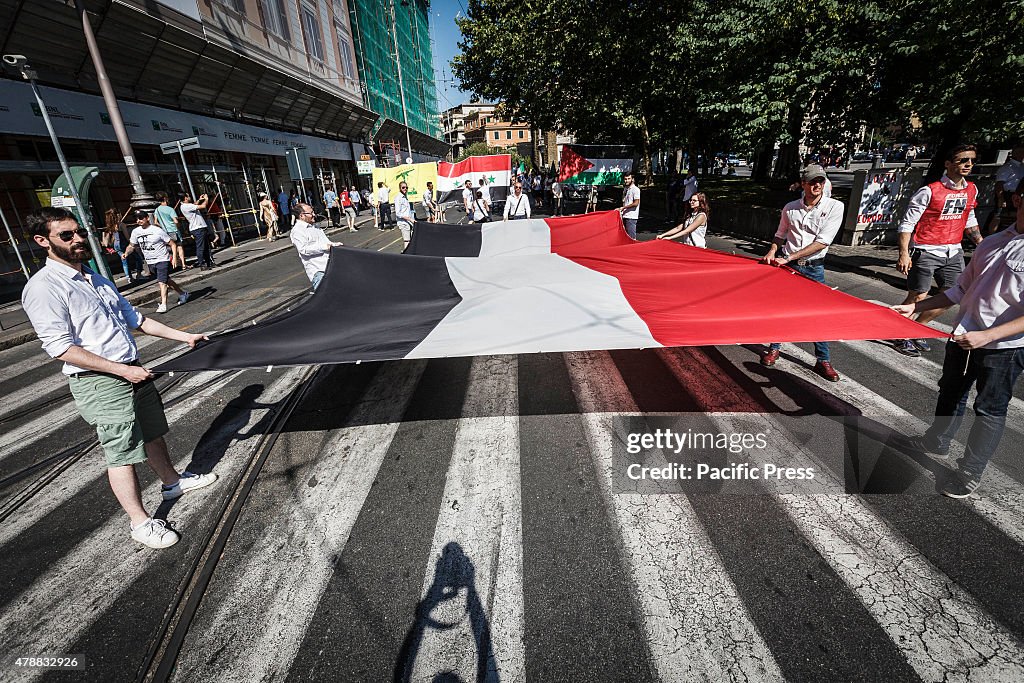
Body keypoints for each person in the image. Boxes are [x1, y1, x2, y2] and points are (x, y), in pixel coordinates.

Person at [21, 207, 214, 549]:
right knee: (122, 452)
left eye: (79, 232)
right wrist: (122, 370)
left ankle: (172, 481)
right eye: (66, 235)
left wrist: (186, 337)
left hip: (131, 369)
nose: (78, 239)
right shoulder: (44, 288)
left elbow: (136, 319)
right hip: (101, 380)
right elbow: (60, 348)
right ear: (42, 241)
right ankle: (140, 522)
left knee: (153, 433)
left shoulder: (93, 276)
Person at [892, 184, 1024, 498]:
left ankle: (969, 472)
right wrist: (916, 306)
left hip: (1003, 348)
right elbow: (960, 290)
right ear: (1019, 199)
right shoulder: (991, 242)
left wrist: (988, 335)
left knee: (989, 409)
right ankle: (936, 441)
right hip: (964, 337)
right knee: (950, 393)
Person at [893, 144, 983, 357]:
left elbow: (969, 219)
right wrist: (904, 253)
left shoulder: (972, 189)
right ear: (948, 164)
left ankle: (916, 329)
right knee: (917, 296)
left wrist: (982, 243)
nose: (968, 164)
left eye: (971, 160)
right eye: (962, 160)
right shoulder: (930, 191)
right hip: (926, 250)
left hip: (954, 251)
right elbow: (907, 224)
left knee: (953, 295)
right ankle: (899, 333)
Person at [759, 164, 845, 382]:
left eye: (821, 181)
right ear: (803, 183)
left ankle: (822, 360)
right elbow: (780, 233)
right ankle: (774, 348)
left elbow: (822, 242)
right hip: (788, 267)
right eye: (813, 181)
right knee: (782, 310)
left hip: (813, 266)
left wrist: (788, 257)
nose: (817, 185)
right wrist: (772, 249)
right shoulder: (790, 207)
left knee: (818, 314)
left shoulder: (835, 207)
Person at [124, 210, 188, 313]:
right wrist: (126, 253)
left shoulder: (157, 230)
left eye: (141, 217)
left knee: (161, 282)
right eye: (136, 218)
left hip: (162, 259)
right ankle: (182, 293)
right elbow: (132, 245)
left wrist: (175, 258)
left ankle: (163, 305)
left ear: (147, 218)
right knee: (166, 280)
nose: (138, 220)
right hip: (150, 262)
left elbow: (172, 244)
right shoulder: (136, 232)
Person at [290, 203, 342, 290]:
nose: (314, 214)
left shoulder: (315, 227)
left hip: (330, 268)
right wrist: (325, 247)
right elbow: (303, 250)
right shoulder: (297, 231)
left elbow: (326, 243)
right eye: (311, 213)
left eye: (313, 212)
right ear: (302, 216)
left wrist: (335, 245)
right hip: (319, 272)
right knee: (327, 301)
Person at [987, 143, 1024, 235]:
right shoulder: (1007, 167)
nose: (1021, 154)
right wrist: (1001, 198)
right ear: (1014, 153)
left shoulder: (1022, 166)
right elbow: (999, 183)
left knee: (1017, 216)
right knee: (998, 215)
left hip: (1018, 194)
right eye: (1019, 152)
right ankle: (990, 236)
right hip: (1007, 194)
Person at [180, 192, 215, 270]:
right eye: (188, 196)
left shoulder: (184, 206)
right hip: (198, 228)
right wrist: (206, 199)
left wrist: (199, 200)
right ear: (185, 198)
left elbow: (194, 205)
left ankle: (209, 263)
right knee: (201, 247)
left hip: (199, 227)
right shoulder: (187, 206)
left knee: (206, 246)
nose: (189, 197)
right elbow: (203, 206)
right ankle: (202, 264)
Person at [154, 193, 186, 270]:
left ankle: (175, 263)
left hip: (165, 232)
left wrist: (163, 226)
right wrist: (177, 227)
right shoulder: (170, 209)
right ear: (165, 198)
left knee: (171, 247)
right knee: (179, 246)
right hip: (174, 230)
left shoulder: (157, 210)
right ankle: (183, 264)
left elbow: (155, 222)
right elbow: (176, 221)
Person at [102, 208, 133, 281]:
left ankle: (128, 277)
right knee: (136, 257)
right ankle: (138, 274)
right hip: (123, 243)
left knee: (124, 261)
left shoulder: (110, 225)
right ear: (117, 215)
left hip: (116, 245)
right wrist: (131, 243)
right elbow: (127, 236)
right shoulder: (121, 225)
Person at [620, 172, 641, 239]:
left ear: (632, 179)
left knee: (631, 237)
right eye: (625, 179)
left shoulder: (636, 189)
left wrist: (624, 207)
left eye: (629, 179)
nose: (627, 180)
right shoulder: (626, 189)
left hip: (631, 217)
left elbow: (636, 203)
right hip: (624, 215)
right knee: (624, 237)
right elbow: (624, 201)